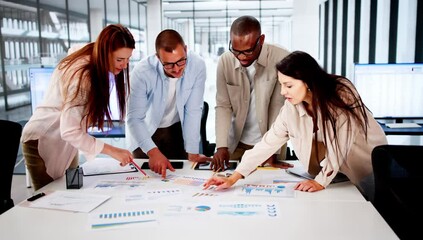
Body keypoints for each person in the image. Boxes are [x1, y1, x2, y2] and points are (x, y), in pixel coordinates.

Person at [204, 51, 388, 201]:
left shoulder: (341, 92)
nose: (283, 92)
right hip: (338, 174)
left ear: (307, 82)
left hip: (368, 166)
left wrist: (320, 182)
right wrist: (234, 177)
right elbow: (267, 143)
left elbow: (339, 145)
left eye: (289, 86)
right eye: (281, 85)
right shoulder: (291, 107)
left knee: (375, 211)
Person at [21, 24, 136, 191]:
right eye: (119, 60)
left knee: (71, 192)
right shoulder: (82, 77)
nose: (125, 65)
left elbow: (71, 130)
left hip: (66, 141)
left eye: (128, 59)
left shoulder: (92, 53)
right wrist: (113, 151)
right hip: (43, 138)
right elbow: (69, 130)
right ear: (105, 53)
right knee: (50, 199)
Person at [127, 29, 210, 179]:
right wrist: (152, 151)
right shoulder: (142, 71)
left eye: (181, 61)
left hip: (175, 130)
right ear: (158, 58)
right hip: (146, 132)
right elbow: (134, 119)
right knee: (145, 182)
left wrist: (192, 151)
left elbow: (193, 110)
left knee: (181, 178)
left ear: (185, 49)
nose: (177, 69)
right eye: (169, 65)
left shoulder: (197, 65)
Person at [212, 15, 292, 171]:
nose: (241, 57)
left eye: (247, 51)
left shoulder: (282, 58)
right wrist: (221, 146)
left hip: (269, 143)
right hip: (235, 143)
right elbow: (223, 106)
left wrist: (272, 149)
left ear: (261, 40)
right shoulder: (225, 61)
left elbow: (279, 107)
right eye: (236, 51)